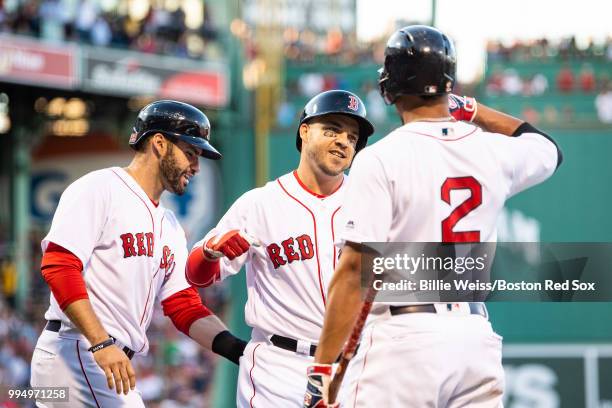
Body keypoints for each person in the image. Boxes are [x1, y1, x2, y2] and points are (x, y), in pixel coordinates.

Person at [304, 25, 563, 407]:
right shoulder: (492, 150)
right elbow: (547, 148)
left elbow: (355, 269)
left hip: (404, 339)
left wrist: (322, 369)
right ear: (448, 84)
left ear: (390, 85)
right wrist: (474, 111)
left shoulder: (380, 157)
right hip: (476, 341)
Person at [30, 100, 247, 407]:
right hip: (78, 351)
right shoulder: (100, 188)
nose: (196, 167)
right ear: (159, 143)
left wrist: (240, 350)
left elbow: (182, 305)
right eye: (190, 153)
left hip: (105, 359)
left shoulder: (170, 225)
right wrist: (100, 342)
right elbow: (59, 266)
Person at [185, 90, 374, 407]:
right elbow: (197, 275)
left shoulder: (372, 202)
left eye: (353, 137)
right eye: (332, 129)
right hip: (280, 367)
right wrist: (208, 252)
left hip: (354, 367)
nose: (344, 141)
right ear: (304, 131)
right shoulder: (260, 204)